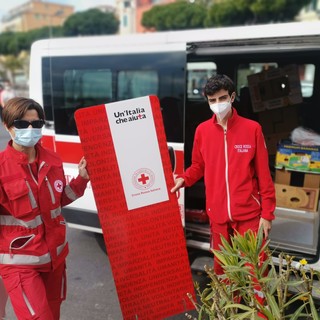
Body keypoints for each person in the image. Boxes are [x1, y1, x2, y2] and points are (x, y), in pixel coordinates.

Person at [171, 74, 276, 275]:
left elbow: (264, 175)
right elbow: (198, 166)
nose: (218, 104)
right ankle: (229, 307)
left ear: (232, 97)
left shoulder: (252, 129)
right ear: (207, 101)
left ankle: (258, 307)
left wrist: (267, 214)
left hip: (248, 215)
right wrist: (184, 178)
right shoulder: (202, 131)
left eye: (222, 98)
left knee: (255, 271)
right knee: (224, 270)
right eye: (212, 100)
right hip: (217, 215)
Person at [0, 97, 90, 320]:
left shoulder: (53, 160)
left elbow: (58, 201)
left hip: (54, 259)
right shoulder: (1, 169)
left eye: (36, 124)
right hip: (20, 263)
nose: (30, 129)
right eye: (22, 124)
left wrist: (82, 180)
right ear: (7, 126)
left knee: (53, 315)